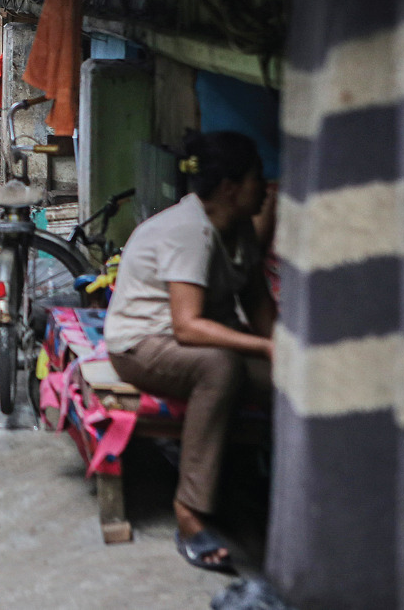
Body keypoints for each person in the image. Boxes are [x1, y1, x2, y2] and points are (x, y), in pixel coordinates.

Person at [102, 131, 273, 574]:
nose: (266, 188)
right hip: (141, 344)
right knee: (220, 368)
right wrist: (269, 346)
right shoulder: (190, 230)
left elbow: (258, 305)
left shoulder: (238, 228)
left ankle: (261, 487)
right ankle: (190, 513)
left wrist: (286, 353)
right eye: (259, 179)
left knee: (287, 378)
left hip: (186, 341)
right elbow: (188, 326)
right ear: (231, 188)